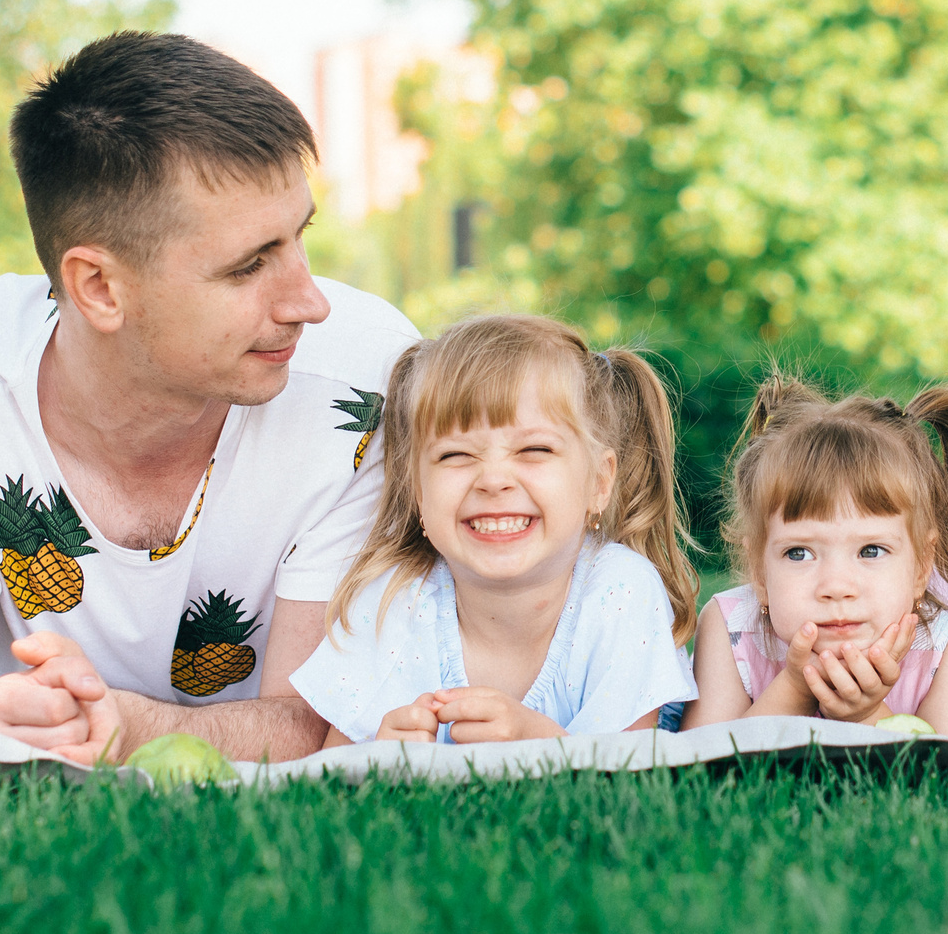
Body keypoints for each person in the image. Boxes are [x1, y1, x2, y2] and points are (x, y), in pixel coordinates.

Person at [0, 31, 419, 763]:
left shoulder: (366, 387)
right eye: (250, 266)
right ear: (99, 287)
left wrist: (122, 725)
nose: (309, 301)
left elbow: (320, 725)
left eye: (299, 238)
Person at [289, 315, 699, 745]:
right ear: (418, 493)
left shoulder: (622, 592)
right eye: (456, 455)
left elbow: (630, 777)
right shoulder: (394, 601)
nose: (493, 479)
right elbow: (331, 773)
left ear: (598, 482)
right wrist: (378, 754)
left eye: (535, 449)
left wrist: (537, 742)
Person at [686, 377, 948, 741]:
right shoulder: (732, 627)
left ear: (921, 567)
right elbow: (698, 761)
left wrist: (865, 712)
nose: (836, 587)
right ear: (759, 570)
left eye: (871, 551)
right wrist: (795, 688)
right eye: (798, 553)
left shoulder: (943, 647)